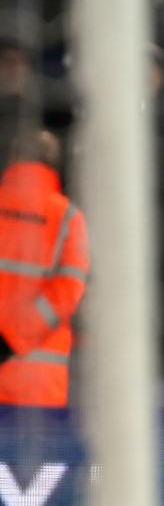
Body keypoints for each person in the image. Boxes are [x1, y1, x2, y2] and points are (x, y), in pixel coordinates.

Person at [0, 130, 88, 407]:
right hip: (39, 384)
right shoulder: (69, 218)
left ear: (13, 159)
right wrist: (12, 339)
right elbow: (68, 292)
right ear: (55, 165)